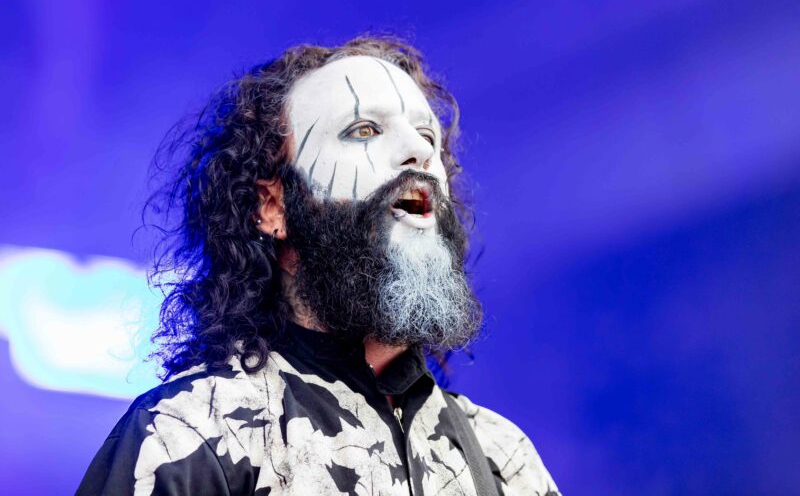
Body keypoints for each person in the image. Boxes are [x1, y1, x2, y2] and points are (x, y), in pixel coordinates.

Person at [77, 36, 560, 495]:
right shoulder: (186, 436)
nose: (420, 152)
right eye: (364, 130)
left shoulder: (503, 459)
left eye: (427, 134)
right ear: (273, 206)